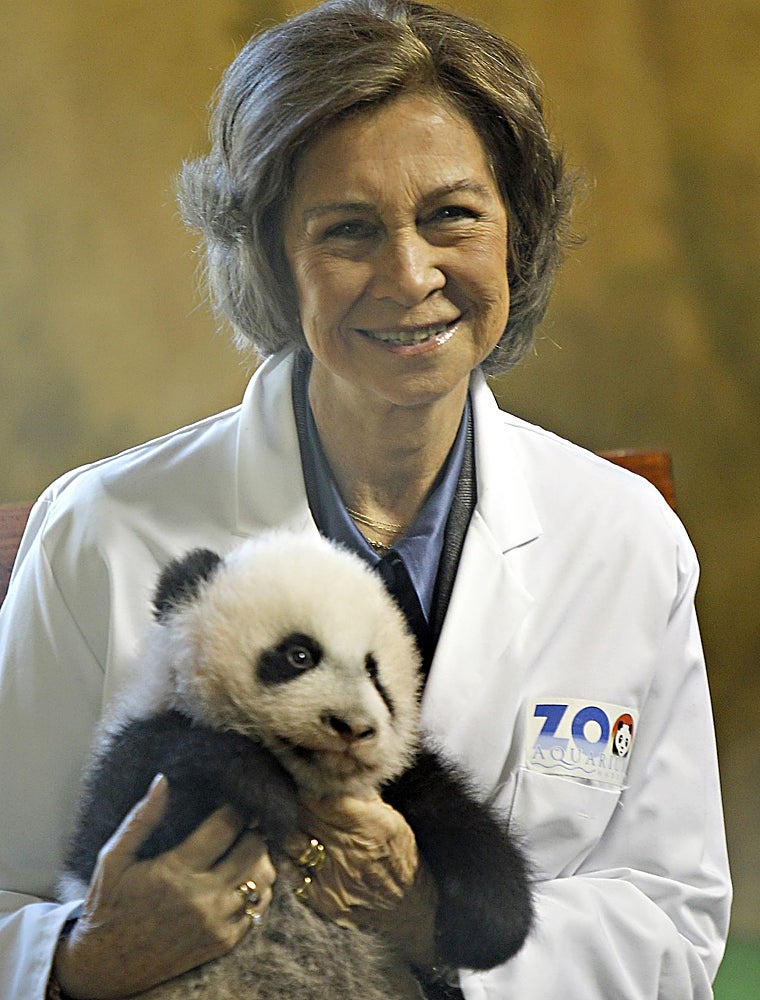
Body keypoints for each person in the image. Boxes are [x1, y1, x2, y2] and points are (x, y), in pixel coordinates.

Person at [0, 0, 731, 997]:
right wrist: (81, 963)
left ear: (516, 229)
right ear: (268, 255)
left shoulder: (623, 538)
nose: (409, 274)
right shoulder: (102, 532)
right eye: (347, 229)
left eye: (452, 215)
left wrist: (431, 918)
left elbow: (673, 914)